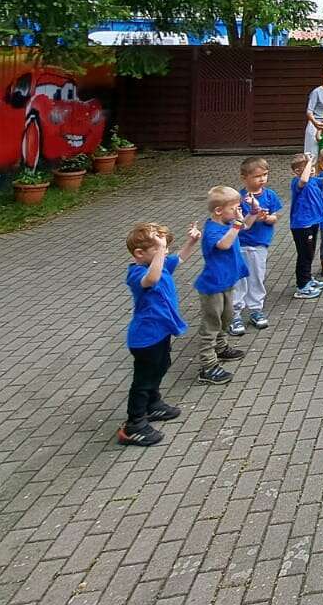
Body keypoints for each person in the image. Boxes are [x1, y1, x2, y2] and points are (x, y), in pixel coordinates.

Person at [119, 222, 199, 446]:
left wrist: (191, 242)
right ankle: (133, 424)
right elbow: (151, 280)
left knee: (162, 366)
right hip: (145, 339)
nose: (165, 252)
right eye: (159, 248)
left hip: (161, 333)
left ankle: (153, 404)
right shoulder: (137, 273)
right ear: (139, 253)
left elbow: (179, 258)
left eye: (165, 248)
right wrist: (160, 252)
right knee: (144, 380)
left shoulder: (159, 265)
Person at [194, 186, 256, 384]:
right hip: (213, 286)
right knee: (211, 325)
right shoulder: (212, 230)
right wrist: (237, 224)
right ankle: (208, 366)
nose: (238, 212)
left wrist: (253, 211)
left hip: (227, 281)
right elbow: (224, 244)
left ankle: (221, 348)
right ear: (219, 210)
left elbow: (245, 226)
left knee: (226, 317)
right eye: (234, 208)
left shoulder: (229, 223)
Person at [231, 156, 281, 334]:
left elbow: (276, 216)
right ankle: (235, 313)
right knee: (239, 279)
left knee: (257, 277)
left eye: (265, 175)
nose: (262, 179)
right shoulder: (239, 198)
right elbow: (238, 223)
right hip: (240, 244)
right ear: (244, 178)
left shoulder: (270, 195)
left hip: (260, 244)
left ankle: (256, 309)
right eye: (257, 176)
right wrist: (253, 215)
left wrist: (267, 218)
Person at [287, 154, 323, 300]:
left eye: (312, 167)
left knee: (310, 253)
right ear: (297, 171)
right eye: (308, 168)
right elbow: (303, 180)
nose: (312, 169)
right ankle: (302, 286)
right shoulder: (297, 182)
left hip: (313, 222)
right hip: (302, 225)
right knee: (304, 255)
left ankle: (308, 279)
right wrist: (309, 161)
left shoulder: (314, 181)